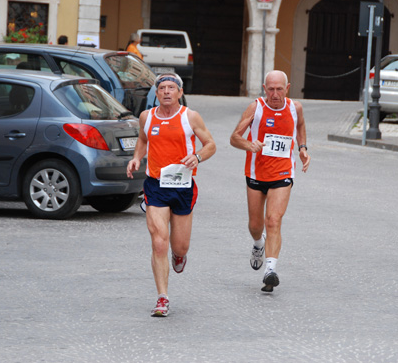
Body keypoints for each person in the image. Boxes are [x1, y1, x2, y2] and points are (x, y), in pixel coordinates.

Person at [127, 73, 216, 317]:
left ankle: (179, 255)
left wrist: (197, 156)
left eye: (171, 88)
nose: (166, 91)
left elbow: (211, 144)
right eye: (162, 88)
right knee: (158, 243)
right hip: (155, 185)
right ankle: (162, 298)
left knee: (180, 246)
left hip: (183, 186)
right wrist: (136, 158)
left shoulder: (190, 117)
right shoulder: (147, 117)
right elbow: (143, 139)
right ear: (156, 93)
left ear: (179, 92)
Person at [229, 70, 311, 292]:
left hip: (283, 174)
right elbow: (234, 137)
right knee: (256, 226)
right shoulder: (256, 108)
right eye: (271, 89)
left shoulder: (296, 108)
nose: (275, 94)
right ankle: (258, 244)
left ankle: (270, 270)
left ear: (288, 88)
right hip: (256, 174)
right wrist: (249, 145)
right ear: (265, 89)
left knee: (273, 220)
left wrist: (302, 148)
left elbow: (300, 126)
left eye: (279, 89)